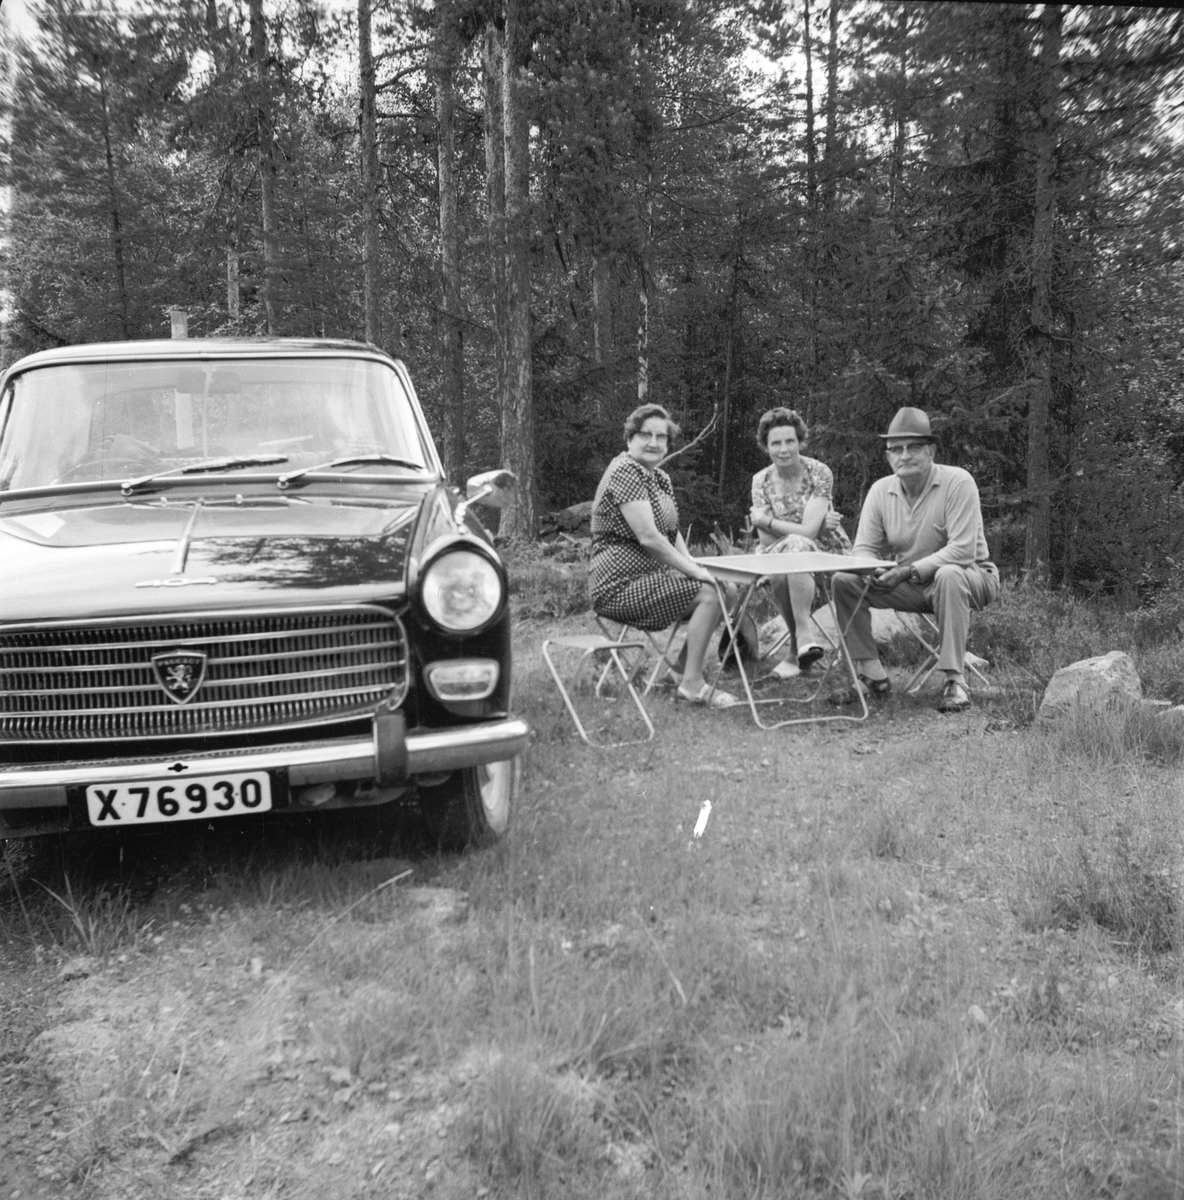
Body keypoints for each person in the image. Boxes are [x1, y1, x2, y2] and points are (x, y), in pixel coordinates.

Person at [829, 406, 1000, 713]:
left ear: (931, 451)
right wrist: (873, 569)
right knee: (845, 581)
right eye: (896, 449)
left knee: (949, 574)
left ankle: (955, 681)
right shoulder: (881, 491)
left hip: (972, 576)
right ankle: (872, 675)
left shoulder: (958, 482)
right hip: (913, 583)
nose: (905, 455)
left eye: (914, 447)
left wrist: (906, 571)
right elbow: (863, 549)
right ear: (888, 456)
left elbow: (963, 551)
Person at [590, 404, 741, 709]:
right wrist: (695, 573)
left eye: (661, 437)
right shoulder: (624, 471)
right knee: (711, 593)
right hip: (617, 585)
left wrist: (693, 566)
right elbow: (649, 537)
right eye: (645, 434)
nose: (653, 443)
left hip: (649, 579)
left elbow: (671, 532)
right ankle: (693, 685)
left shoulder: (659, 477)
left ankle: (679, 672)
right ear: (629, 438)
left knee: (728, 589)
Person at [749, 407, 850, 679]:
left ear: (800, 442)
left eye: (789, 441)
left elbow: (807, 532)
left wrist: (766, 520)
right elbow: (767, 540)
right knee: (782, 563)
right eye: (776, 443)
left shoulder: (819, 472)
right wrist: (806, 529)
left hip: (826, 550)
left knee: (794, 545)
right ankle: (803, 643)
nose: (783, 450)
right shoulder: (760, 481)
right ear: (766, 446)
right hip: (780, 553)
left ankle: (797, 646)